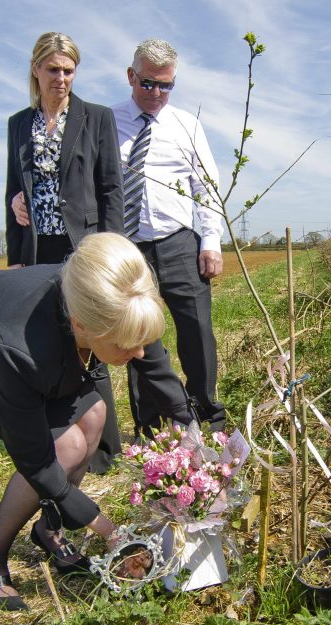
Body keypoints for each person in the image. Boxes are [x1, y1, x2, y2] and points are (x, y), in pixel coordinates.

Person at [0, 233, 193, 611]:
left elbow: (154, 364)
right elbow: (34, 456)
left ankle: (47, 530)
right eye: (124, 345)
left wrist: (192, 435)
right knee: (65, 446)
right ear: (80, 326)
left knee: (95, 415)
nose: (137, 353)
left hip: (21, 343)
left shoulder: (113, 294)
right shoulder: (21, 347)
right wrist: (107, 530)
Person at [6, 32, 124, 473]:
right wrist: (15, 255)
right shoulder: (19, 123)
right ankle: (60, 434)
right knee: (53, 340)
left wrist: (112, 250)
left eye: (69, 71)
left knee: (93, 336)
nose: (61, 78)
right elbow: (12, 192)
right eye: (53, 69)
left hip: (85, 247)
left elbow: (111, 187)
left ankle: (103, 448)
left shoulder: (96, 117)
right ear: (36, 70)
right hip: (39, 246)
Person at [112, 38, 227, 436]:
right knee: (137, 334)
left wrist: (210, 241)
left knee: (197, 331)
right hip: (129, 248)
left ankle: (208, 415)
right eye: (148, 83)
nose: (157, 93)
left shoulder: (186, 125)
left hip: (179, 241)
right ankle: (152, 425)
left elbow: (206, 186)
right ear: (131, 76)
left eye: (166, 85)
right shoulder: (105, 123)